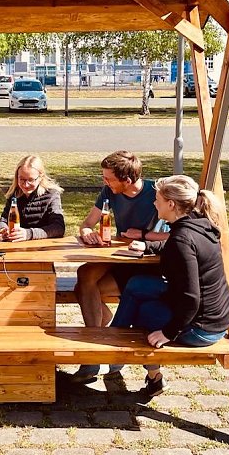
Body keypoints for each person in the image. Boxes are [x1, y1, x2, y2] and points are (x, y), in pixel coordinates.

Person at [109, 174, 229, 397]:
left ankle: (121, 356)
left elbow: (191, 297)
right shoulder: (197, 224)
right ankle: (113, 342)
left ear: (171, 204)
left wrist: (168, 332)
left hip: (202, 327)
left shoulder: (182, 239)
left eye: (157, 199)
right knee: (137, 284)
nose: (154, 203)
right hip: (214, 314)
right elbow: (173, 246)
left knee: (143, 312)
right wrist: (148, 246)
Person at [72, 150, 168, 382]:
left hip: (147, 261)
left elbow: (175, 234)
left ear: (127, 180)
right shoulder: (109, 191)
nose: (104, 182)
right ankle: (95, 345)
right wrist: (88, 233)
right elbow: (86, 223)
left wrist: (144, 235)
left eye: (108, 178)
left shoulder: (156, 193)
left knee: (85, 291)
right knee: (84, 274)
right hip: (119, 257)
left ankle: (101, 345)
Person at [0, 155, 65, 325]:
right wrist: (2, 229)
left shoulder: (51, 195)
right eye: (21, 179)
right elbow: (3, 218)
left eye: (30, 180)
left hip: (37, 255)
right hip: (11, 251)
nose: (25, 184)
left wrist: (28, 233)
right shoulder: (15, 194)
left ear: (41, 177)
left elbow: (58, 227)